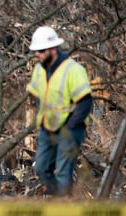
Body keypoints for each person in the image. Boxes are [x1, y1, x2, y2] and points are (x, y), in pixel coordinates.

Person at [26, 26, 93, 197]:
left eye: (40, 51)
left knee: (63, 173)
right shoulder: (39, 70)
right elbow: (37, 96)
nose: (37, 55)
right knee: (40, 168)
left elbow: (85, 102)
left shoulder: (74, 70)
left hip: (70, 128)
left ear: (53, 49)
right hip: (47, 128)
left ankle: (62, 210)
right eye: (35, 51)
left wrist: (71, 126)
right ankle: (61, 200)